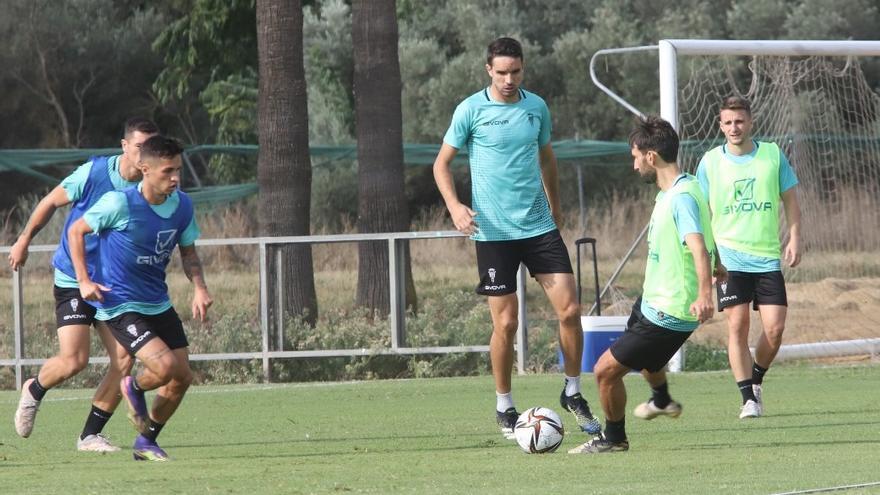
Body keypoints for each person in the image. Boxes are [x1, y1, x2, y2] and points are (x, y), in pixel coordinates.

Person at [432, 37, 600, 439]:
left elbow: (547, 157)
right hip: (493, 233)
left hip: (539, 227)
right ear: (488, 70)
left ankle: (573, 392)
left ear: (523, 69)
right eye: (501, 72)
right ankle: (505, 404)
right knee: (506, 324)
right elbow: (442, 164)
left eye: (515, 71)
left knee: (571, 311)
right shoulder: (471, 110)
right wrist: (456, 207)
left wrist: (556, 205)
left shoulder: (535, 107)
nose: (509, 79)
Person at [569, 116, 722, 454]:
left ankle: (613, 439)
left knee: (604, 372)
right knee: (648, 360)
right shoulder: (685, 187)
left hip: (670, 310)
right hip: (652, 302)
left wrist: (705, 294)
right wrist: (720, 263)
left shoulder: (680, 197)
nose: (633, 161)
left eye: (635, 154)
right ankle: (663, 400)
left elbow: (697, 245)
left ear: (651, 157)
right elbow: (708, 233)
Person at [11, 117, 159, 452]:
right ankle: (34, 389)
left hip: (112, 286)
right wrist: (23, 240)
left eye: (150, 149)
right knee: (74, 360)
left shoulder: (150, 189)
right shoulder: (92, 173)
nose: (144, 156)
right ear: (124, 146)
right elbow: (49, 202)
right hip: (72, 279)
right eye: (139, 148)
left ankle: (90, 435)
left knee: (124, 359)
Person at [68, 135, 212, 461]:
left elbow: (188, 253)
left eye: (178, 170)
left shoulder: (183, 205)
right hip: (119, 303)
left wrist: (200, 287)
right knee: (163, 367)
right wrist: (83, 280)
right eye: (167, 171)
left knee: (182, 377)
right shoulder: (120, 203)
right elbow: (76, 231)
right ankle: (131, 386)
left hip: (157, 302)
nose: (175, 177)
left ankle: (146, 441)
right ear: (144, 168)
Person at [696, 96, 801, 419]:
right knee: (737, 325)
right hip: (729, 258)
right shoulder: (710, 162)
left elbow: (791, 201)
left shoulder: (771, 154)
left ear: (750, 122)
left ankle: (756, 381)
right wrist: (709, 255)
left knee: (775, 329)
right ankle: (747, 399)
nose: (734, 128)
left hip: (767, 257)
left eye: (739, 121)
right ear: (720, 124)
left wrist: (795, 238)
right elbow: (701, 212)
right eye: (727, 122)